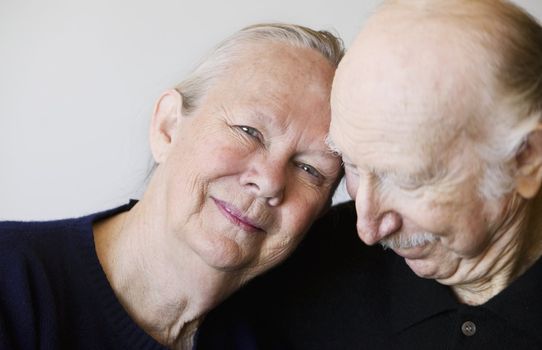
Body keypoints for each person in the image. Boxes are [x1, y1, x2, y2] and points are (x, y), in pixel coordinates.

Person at [199, 1, 542, 349]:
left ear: (527, 157)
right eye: (352, 164)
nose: (368, 229)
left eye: (405, 179)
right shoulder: (304, 271)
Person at [0, 23, 344, 349]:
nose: (270, 181)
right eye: (249, 131)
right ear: (168, 127)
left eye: (309, 169)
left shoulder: (290, 335)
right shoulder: (12, 279)